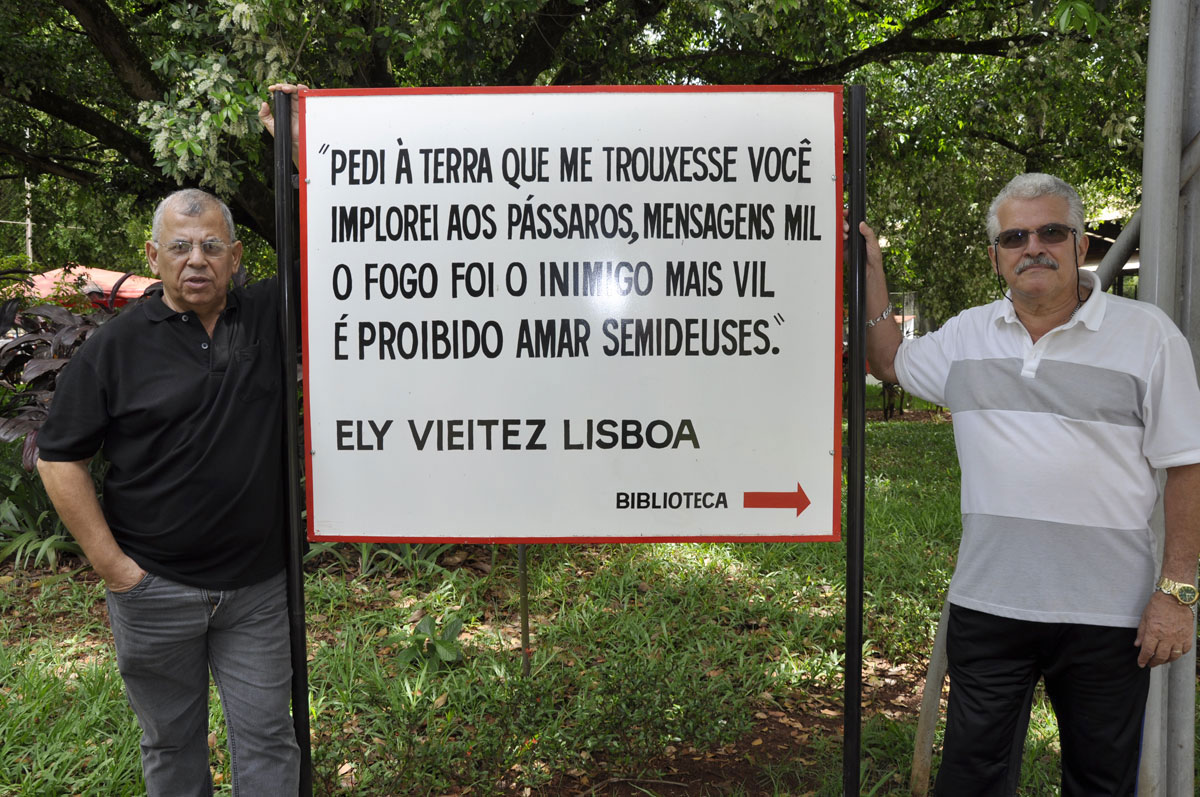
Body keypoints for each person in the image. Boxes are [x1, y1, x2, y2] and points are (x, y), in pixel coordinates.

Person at [851, 172, 1200, 795]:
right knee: (971, 780)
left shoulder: (1149, 337)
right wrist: (872, 267)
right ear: (995, 256)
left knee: (1100, 783)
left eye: (1050, 232)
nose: (1032, 247)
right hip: (989, 607)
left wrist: (1177, 593)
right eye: (1014, 236)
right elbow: (887, 362)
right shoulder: (966, 336)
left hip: (1110, 616)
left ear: (1078, 242)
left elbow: (1186, 465)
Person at [36, 185, 300, 795]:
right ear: (154, 257)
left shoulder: (266, 315)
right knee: (172, 745)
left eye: (211, 246)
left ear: (236, 258)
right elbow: (59, 457)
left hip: (256, 589)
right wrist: (115, 568)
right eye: (180, 246)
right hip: (153, 590)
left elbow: (333, 248)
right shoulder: (116, 346)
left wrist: (293, 147)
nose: (196, 259)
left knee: (267, 739)